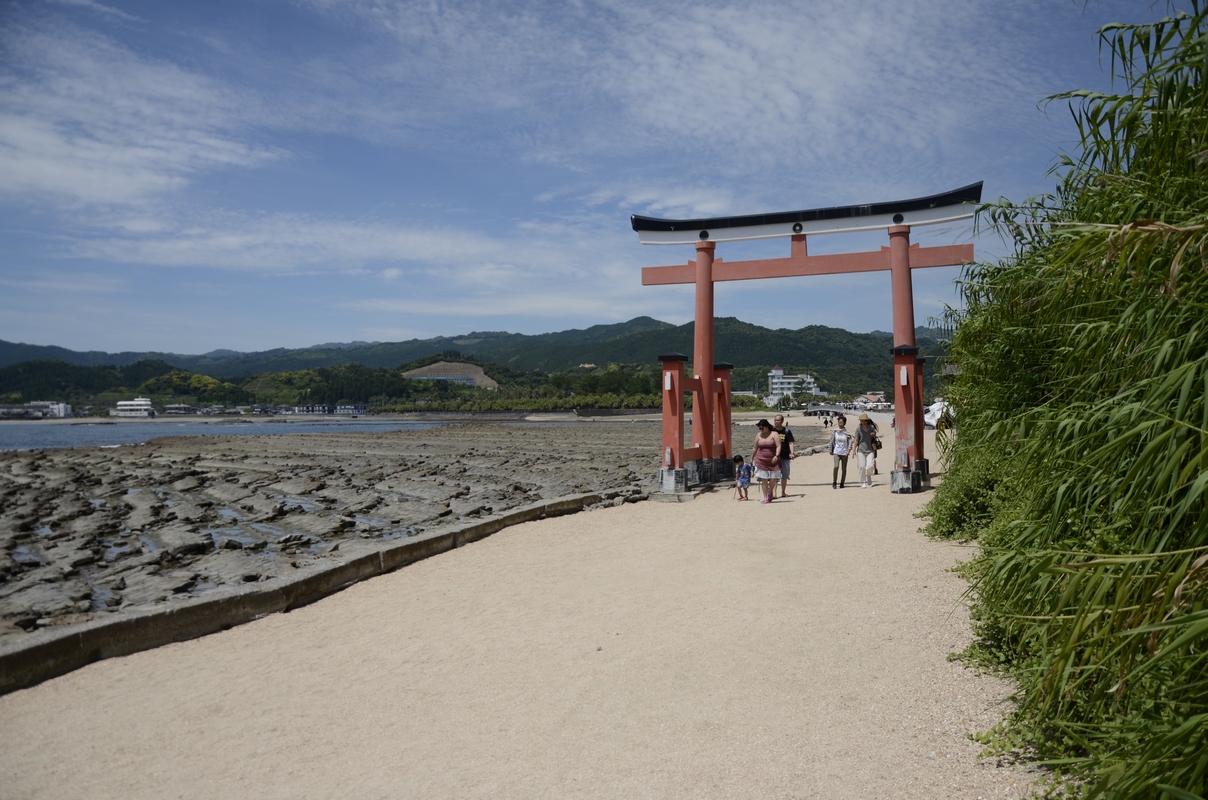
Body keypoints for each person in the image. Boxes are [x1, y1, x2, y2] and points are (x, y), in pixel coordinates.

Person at [750, 419, 781, 504]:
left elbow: (778, 446)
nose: (761, 430)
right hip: (761, 459)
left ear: (767, 426)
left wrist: (777, 455)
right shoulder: (758, 435)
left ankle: (770, 490)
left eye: (762, 428)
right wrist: (751, 458)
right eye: (760, 428)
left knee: (773, 479)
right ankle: (765, 497)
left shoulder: (774, 434)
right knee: (764, 479)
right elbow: (755, 447)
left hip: (773, 460)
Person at [772, 413, 796, 498]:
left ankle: (783, 492)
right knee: (774, 476)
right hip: (774, 457)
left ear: (782, 421)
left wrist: (792, 453)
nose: (776, 422)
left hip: (785, 456)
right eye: (775, 420)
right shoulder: (772, 431)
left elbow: (791, 442)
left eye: (778, 420)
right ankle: (774, 493)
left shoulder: (786, 431)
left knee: (784, 475)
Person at [828, 414, 853, 489]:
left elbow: (850, 442)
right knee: (836, 466)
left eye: (842, 422)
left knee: (844, 469)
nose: (840, 424)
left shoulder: (847, 433)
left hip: (844, 452)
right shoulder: (835, 432)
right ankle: (834, 482)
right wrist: (830, 449)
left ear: (844, 423)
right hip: (836, 452)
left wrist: (849, 450)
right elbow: (831, 441)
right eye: (839, 422)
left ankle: (842, 482)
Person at [855, 413, 877, 488]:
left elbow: (875, 436)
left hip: (870, 449)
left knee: (870, 466)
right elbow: (856, 440)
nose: (863, 422)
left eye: (864, 421)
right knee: (861, 466)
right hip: (861, 450)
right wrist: (853, 450)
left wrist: (873, 435)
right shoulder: (858, 429)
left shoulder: (871, 427)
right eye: (862, 421)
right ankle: (863, 481)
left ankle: (869, 476)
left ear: (867, 421)